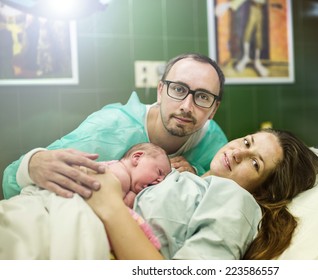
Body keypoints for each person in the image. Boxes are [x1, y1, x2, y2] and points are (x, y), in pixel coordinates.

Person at [2, 53, 227, 200]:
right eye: (178, 89)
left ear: (214, 109)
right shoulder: (110, 128)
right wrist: (33, 163)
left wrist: (196, 171)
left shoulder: (214, 141)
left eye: (203, 97)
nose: (187, 106)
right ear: (160, 90)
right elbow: (12, 179)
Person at [86, 128, 318, 260]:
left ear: (263, 190)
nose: (239, 152)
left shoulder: (237, 203)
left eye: (255, 164)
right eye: (247, 142)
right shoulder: (185, 175)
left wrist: (109, 206)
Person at [0, 142, 171, 259]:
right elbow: (107, 197)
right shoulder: (118, 172)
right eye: (159, 172)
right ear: (137, 158)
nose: (160, 181)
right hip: (60, 204)